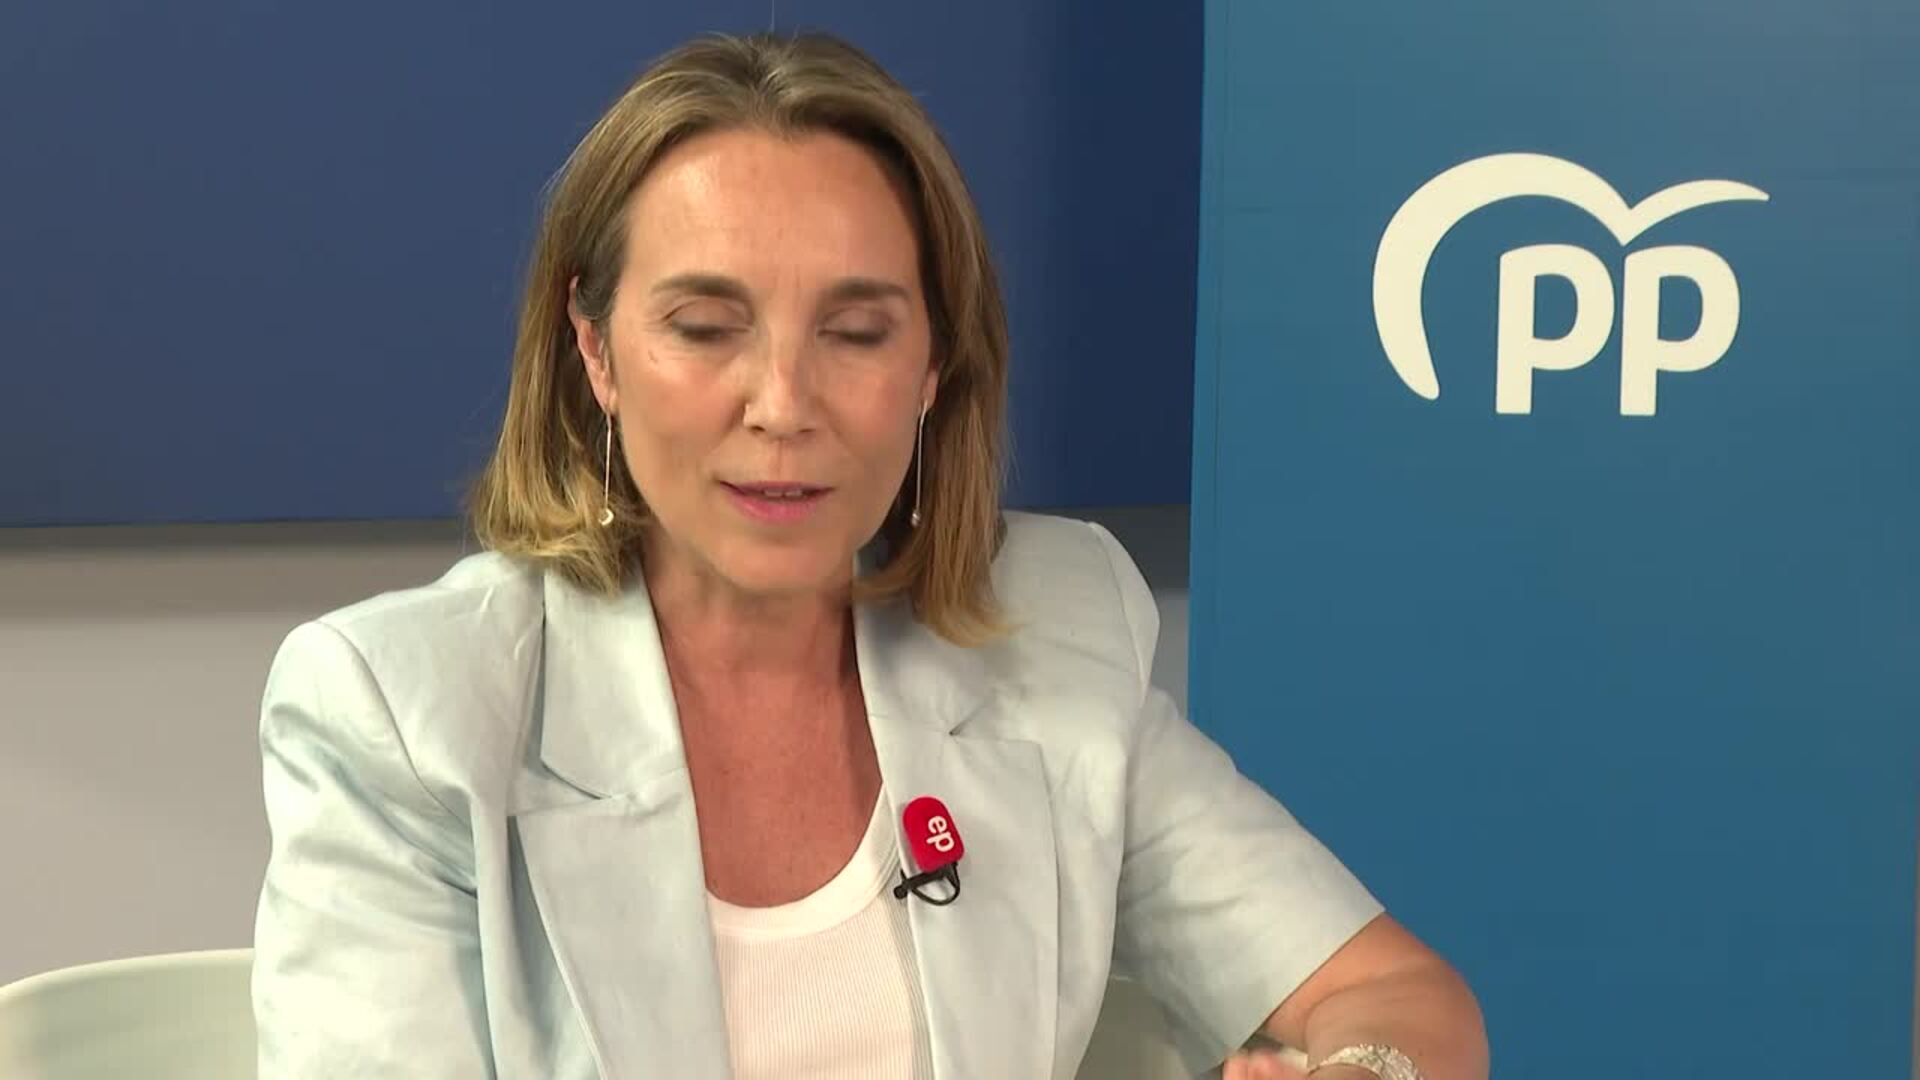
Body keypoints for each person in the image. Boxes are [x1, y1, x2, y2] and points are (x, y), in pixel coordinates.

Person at [250, 31, 1487, 1080]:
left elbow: (1396, 997)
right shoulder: (405, 713)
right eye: (705, 327)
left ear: (934, 362)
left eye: (854, 332)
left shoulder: (1056, 631)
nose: (784, 404)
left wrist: (1361, 1071)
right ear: (596, 350)